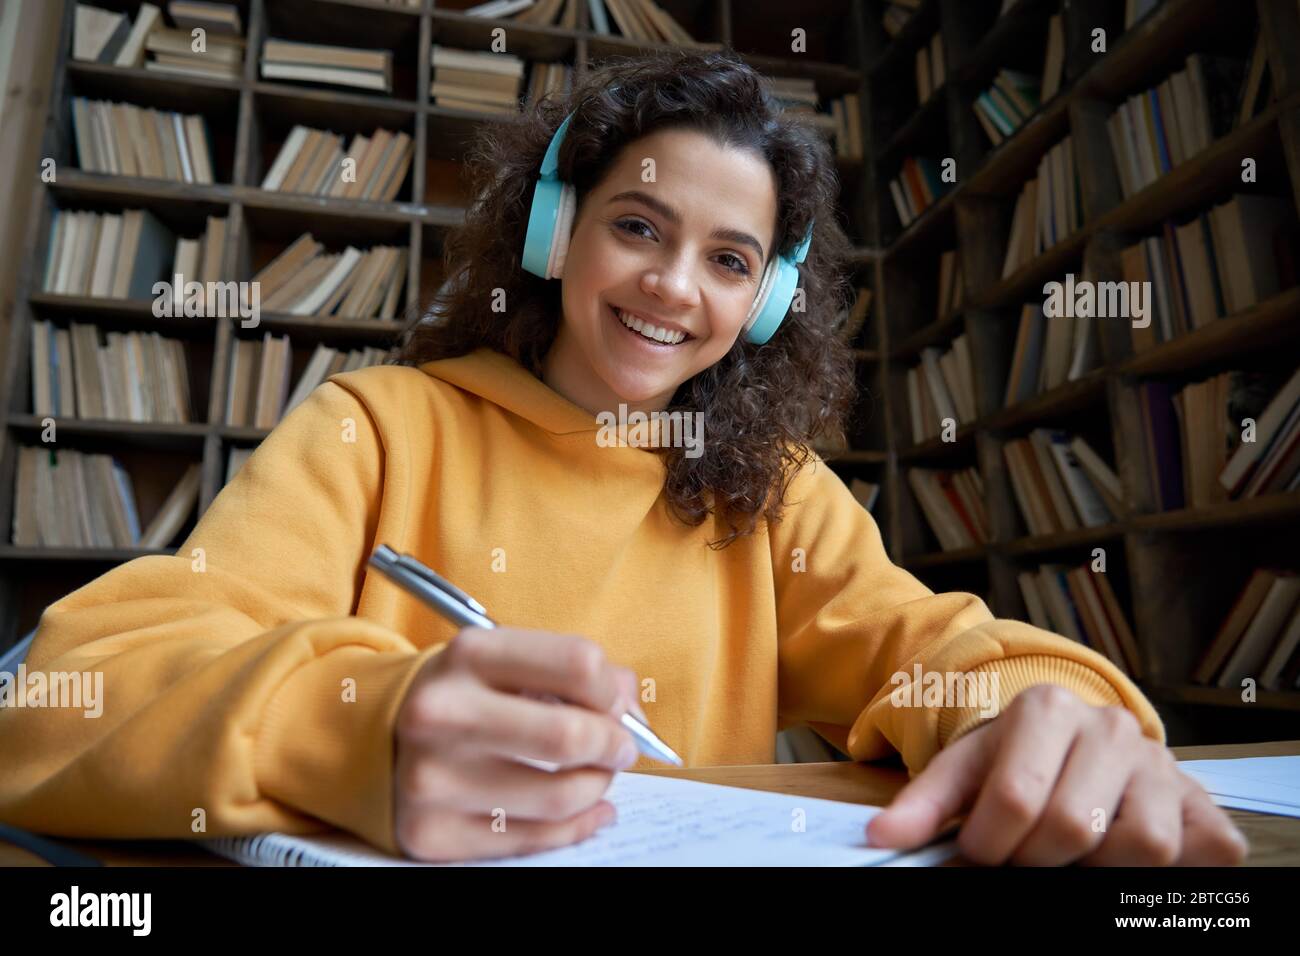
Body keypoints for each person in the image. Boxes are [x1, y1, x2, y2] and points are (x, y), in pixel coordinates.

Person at [0, 50, 1246, 866]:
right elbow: (65, 690)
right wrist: (345, 723)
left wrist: (1048, 709)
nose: (670, 284)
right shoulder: (371, 427)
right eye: (637, 226)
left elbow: (925, 648)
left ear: (763, 302)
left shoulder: (777, 494)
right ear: (553, 233)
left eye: (727, 257)